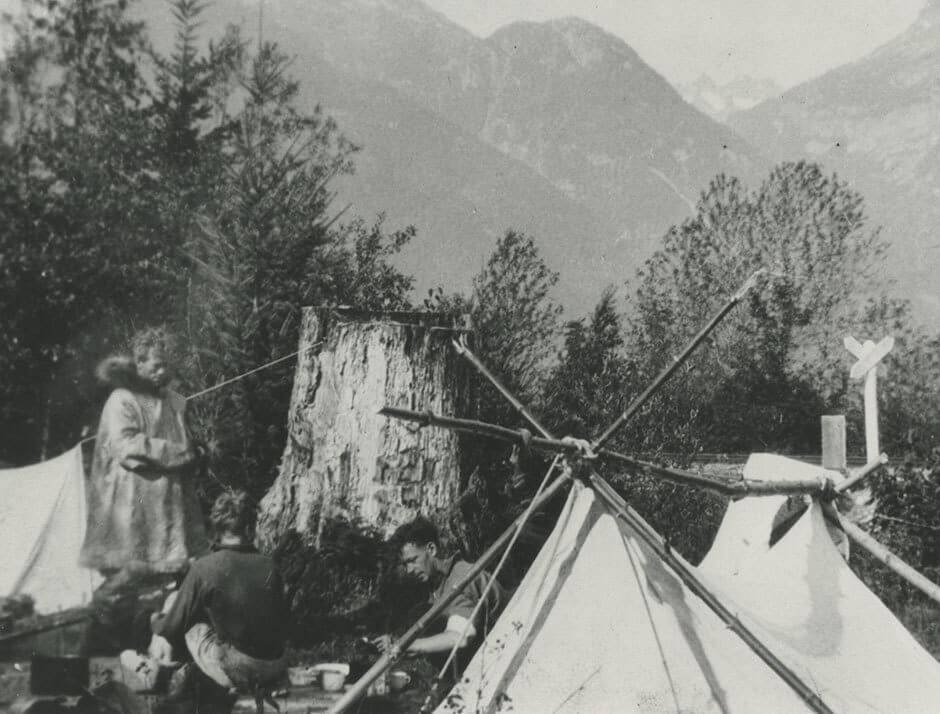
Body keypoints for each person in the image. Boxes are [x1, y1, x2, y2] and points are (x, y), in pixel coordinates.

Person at [80, 327, 208, 574]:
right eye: (157, 365)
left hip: (173, 500)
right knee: (137, 571)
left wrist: (197, 451)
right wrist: (181, 453)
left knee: (175, 569)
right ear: (139, 362)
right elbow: (125, 445)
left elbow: (186, 441)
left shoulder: (176, 401)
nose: (164, 372)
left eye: (167, 366)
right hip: (136, 501)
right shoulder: (123, 399)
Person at [150, 491, 289, 705]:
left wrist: (154, 620)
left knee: (176, 603)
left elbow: (171, 627)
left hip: (238, 671)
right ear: (251, 528)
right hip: (275, 668)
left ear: (217, 529)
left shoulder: (205, 567)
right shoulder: (270, 565)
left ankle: (164, 682)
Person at [382, 517, 505, 661]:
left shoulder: (460, 577)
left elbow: (460, 637)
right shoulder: (436, 586)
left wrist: (412, 645)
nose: (409, 570)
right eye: (405, 564)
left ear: (431, 549)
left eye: (413, 561)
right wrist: (397, 640)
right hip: (492, 650)